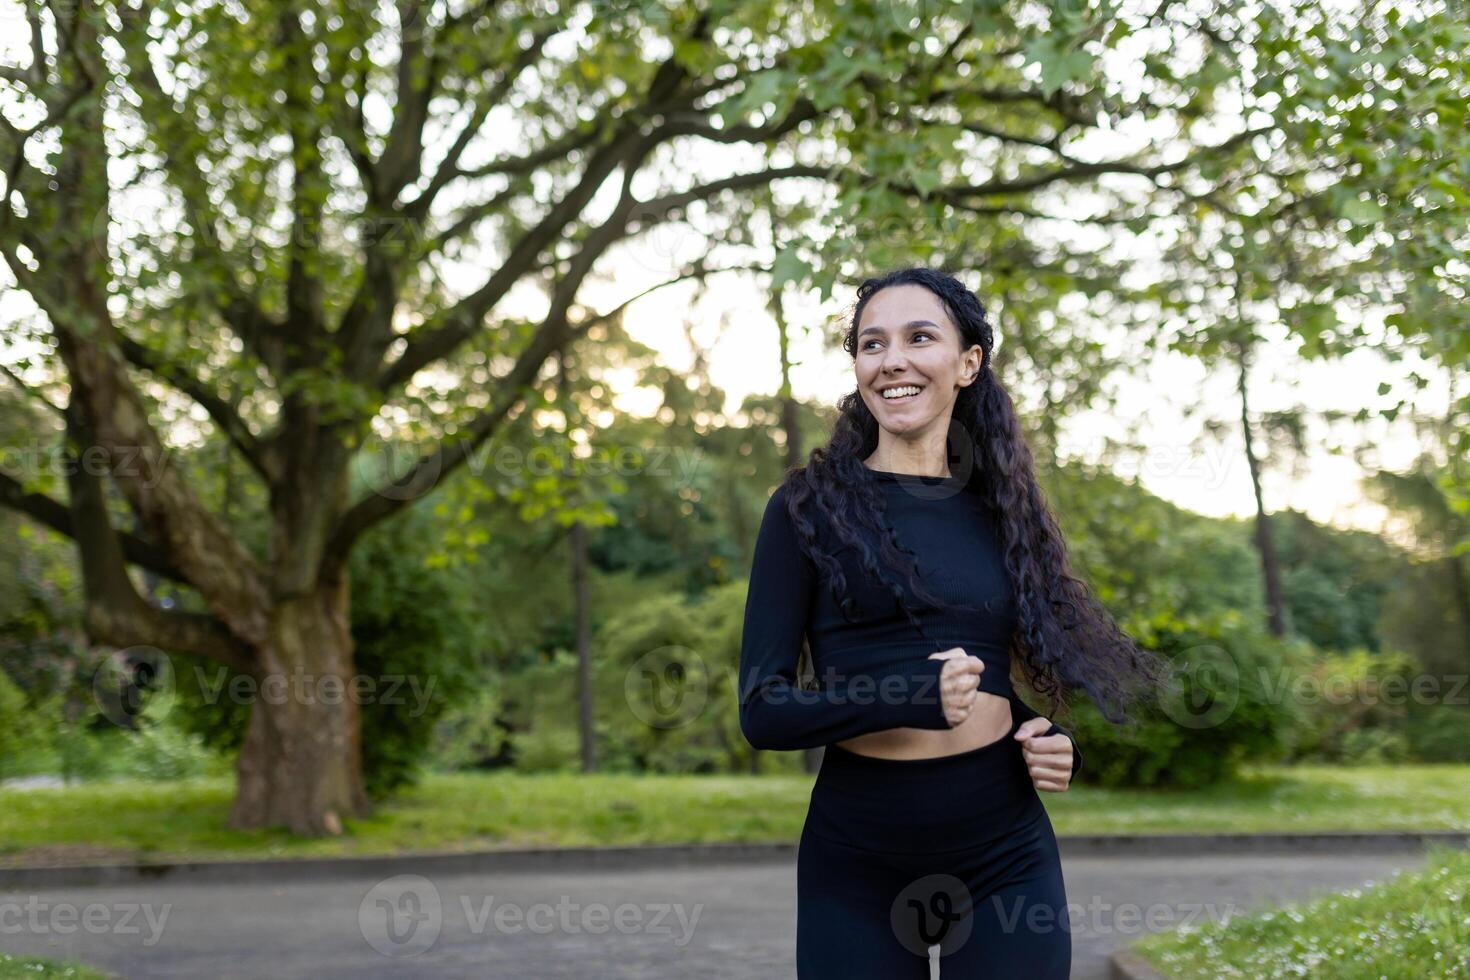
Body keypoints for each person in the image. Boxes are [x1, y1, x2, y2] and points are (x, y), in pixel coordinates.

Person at [738, 267, 1169, 978]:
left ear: (968, 363)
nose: (893, 359)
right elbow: (763, 712)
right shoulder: (803, 512)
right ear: (858, 368)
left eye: (919, 337)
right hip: (859, 861)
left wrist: (1046, 734)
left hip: (1002, 849)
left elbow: (985, 676)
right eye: (872, 344)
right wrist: (906, 696)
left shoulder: (1000, 508)